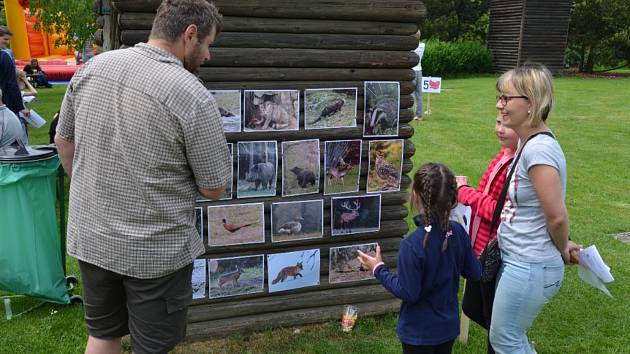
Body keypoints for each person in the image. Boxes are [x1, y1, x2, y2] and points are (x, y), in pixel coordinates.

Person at [54, 1, 231, 353]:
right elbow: (214, 188)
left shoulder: (94, 67)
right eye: (208, 44)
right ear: (189, 34)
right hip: (154, 252)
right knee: (152, 347)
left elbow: (63, 141)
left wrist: (96, 196)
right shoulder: (191, 94)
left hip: (92, 239)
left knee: (102, 335)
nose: (208, 55)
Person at [358, 162, 481, 354]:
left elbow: (409, 292)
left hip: (418, 334)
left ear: (415, 195)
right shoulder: (457, 232)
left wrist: (378, 268)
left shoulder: (412, 245)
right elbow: (474, 272)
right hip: (447, 329)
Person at [489, 63, 570, 354]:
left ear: (532, 103)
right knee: (510, 337)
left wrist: (562, 247)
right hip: (523, 261)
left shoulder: (538, 150)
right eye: (499, 97)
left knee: (505, 340)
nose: (500, 105)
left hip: (530, 265)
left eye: (507, 98)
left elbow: (556, 216)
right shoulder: (527, 142)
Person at [0, 26, 30, 134]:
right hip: (6, 103)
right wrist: (21, 107)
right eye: (5, 39)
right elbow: (11, 83)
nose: (7, 43)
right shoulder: (4, 56)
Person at [412, 30, 425, 121]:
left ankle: (411, 113)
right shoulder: (422, 45)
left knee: (411, 93)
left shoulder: (411, 47)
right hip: (419, 71)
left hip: (412, 71)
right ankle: (419, 114)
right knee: (419, 94)